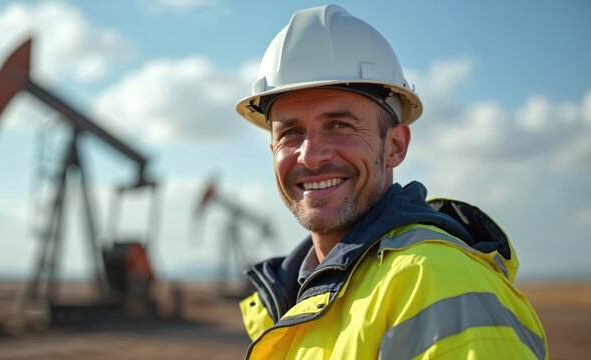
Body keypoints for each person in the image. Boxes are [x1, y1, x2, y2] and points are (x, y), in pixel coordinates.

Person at [234, 4, 548, 359]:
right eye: (290, 132)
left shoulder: (435, 282)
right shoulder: (293, 298)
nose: (310, 155)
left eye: (339, 125)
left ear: (395, 146)